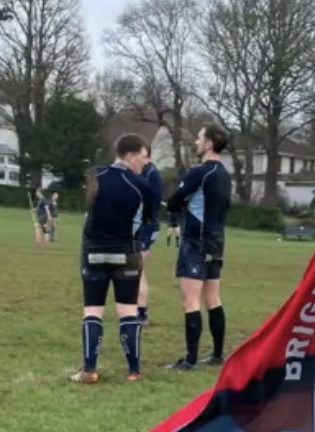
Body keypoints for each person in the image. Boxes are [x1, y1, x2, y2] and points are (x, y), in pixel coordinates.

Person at [72, 133, 160, 384]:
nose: (146, 164)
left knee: (92, 310)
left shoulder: (95, 176)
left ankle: (89, 370)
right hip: (126, 254)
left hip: (94, 252)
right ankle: (134, 371)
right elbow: (149, 220)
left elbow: (88, 210)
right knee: (128, 311)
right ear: (130, 156)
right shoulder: (141, 186)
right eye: (143, 159)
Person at [165, 124, 232, 371]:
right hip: (216, 241)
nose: (195, 141)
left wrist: (176, 212)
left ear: (209, 144)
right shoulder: (225, 174)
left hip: (196, 241)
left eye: (199, 137)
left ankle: (190, 359)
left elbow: (174, 200)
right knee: (213, 298)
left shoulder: (200, 173)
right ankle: (216, 355)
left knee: (190, 300)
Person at [134, 147, 165, 326]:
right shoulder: (147, 172)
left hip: (145, 227)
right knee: (136, 270)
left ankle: (142, 313)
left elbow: (148, 202)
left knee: (137, 271)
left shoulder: (149, 173)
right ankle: (136, 309)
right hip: (146, 226)